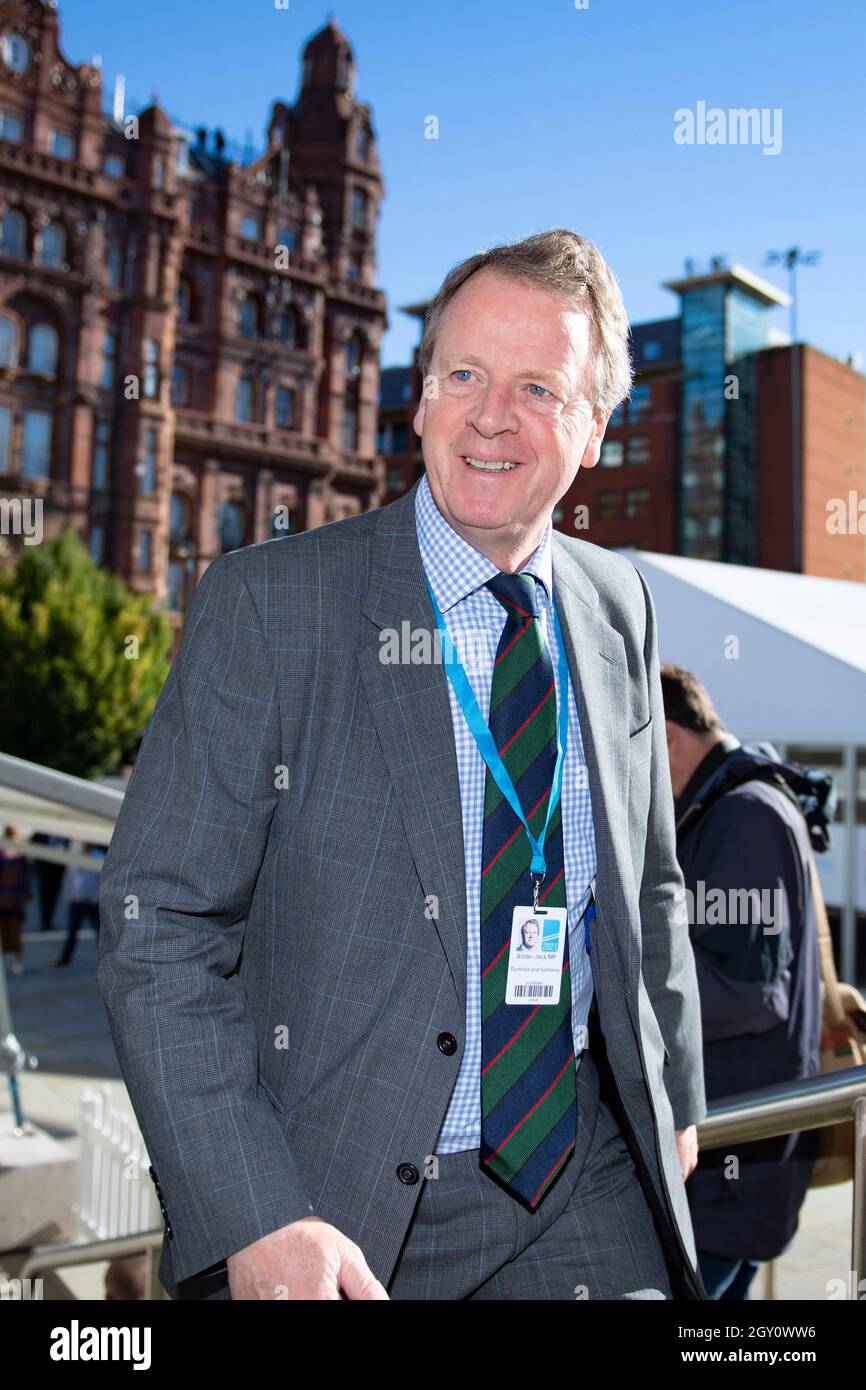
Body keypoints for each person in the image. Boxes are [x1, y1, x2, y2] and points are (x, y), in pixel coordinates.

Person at [97, 229, 707, 1302]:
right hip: (338, 1211)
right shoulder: (273, 605)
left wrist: (678, 1089)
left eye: (535, 387)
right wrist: (254, 1207)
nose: (487, 414)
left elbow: (650, 878)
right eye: (462, 374)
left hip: (579, 1179)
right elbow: (158, 929)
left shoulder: (619, 605)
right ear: (419, 398)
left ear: (594, 430)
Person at [660, 664, 822, 1301]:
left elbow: (750, 991)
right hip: (733, 1174)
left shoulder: (744, 814)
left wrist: (622, 976)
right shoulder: (736, 804)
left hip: (730, 1173)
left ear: (667, 738)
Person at [56, 844, 105, 967]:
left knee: (99, 931)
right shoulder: (75, 855)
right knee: (72, 930)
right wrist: (69, 894)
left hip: (92, 901)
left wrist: (97, 898)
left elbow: (102, 879)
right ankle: (65, 958)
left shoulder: (98, 856)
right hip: (77, 900)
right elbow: (70, 877)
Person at [0, 826, 32, 977]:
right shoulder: (2, 854)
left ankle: (16, 961)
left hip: (15, 900)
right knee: (4, 932)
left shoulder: (20, 855)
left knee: (16, 932)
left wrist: (26, 894)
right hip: (3, 899)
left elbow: (26, 877)